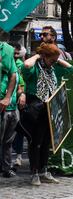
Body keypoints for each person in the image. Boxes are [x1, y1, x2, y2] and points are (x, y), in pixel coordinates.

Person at [21, 43, 73, 186]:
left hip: (49, 109)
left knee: (46, 143)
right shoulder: (35, 69)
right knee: (35, 142)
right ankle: (34, 173)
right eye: (52, 60)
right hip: (36, 108)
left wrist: (57, 60)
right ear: (44, 56)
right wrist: (38, 56)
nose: (54, 63)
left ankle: (44, 171)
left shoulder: (53, 68)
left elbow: (70, 69)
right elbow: (25, 66)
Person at [0, 42, 18, 177]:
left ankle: (6, 168)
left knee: (7, 141)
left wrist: (7, 97)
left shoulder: (7, 50)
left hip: (8, 106)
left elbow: (14, 75)